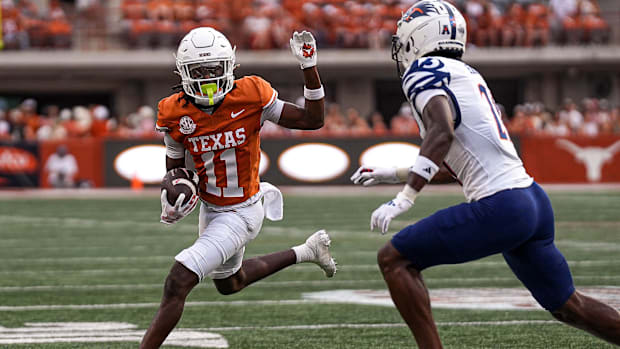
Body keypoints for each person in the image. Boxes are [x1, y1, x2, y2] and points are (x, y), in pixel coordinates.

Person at [350, 1, 620, 348]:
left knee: (394, 259)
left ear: (418, 36)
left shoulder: (423, 71)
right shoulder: (467, 73)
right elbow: (458, 165)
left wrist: (405, 197)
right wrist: (397, 173)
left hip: (503, 205)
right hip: (531, 201)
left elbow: (442, 132)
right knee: (569, 306)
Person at [140, 27, 337, 349]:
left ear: (229, 67)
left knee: (179, 280)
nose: (206, 78)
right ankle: (307, 251)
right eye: (198, 71)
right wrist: (174, 194)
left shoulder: (251, 94)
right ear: (183, 73)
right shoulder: (173, 111)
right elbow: (175, 166)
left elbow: (312, 120)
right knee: (230, 283)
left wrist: (309, 67)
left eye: (213, 70)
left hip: (242, 210)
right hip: (211, 209)